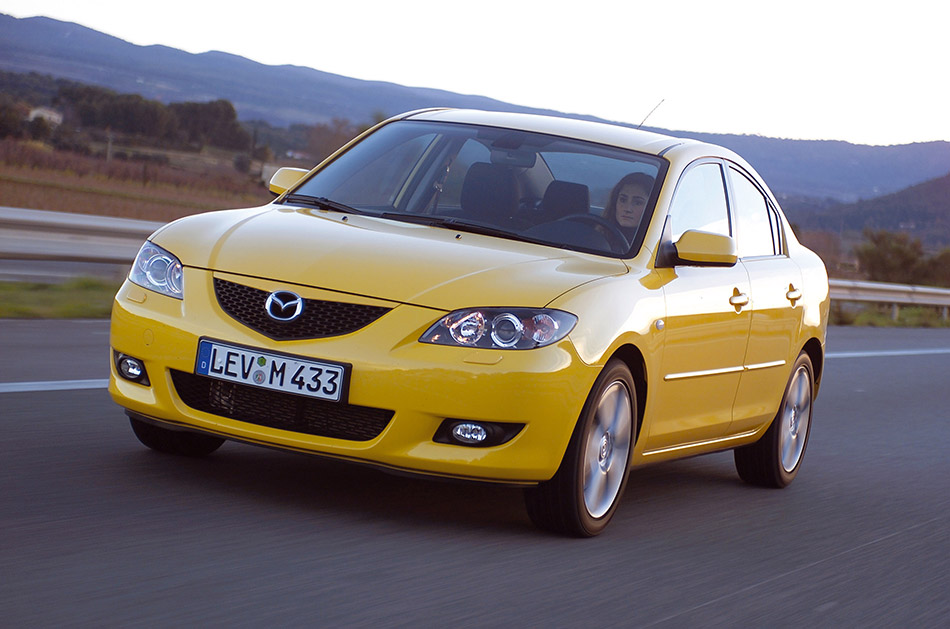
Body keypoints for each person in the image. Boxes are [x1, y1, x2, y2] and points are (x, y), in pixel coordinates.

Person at [604, 172, 655, 241]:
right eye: (623, 200)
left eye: (638, 203)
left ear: (651, 207)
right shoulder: (594, 235)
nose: (628, 209)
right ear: (614, 202)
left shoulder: (654, 244)